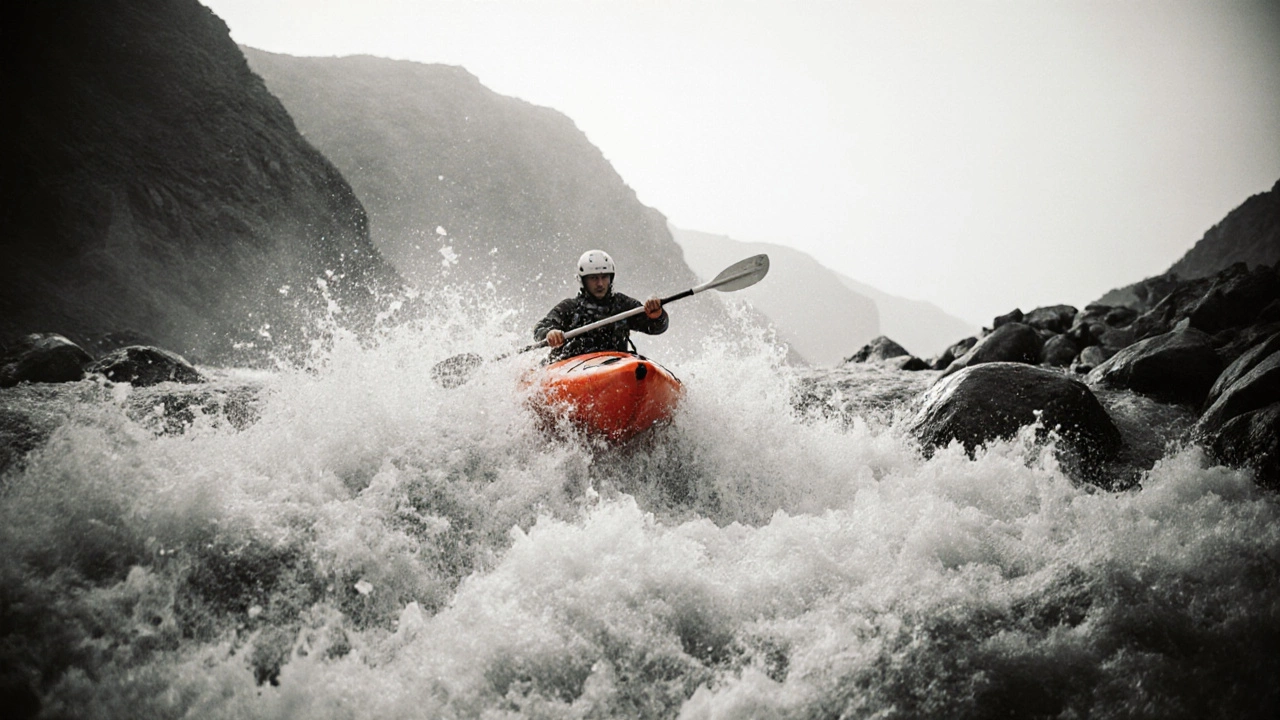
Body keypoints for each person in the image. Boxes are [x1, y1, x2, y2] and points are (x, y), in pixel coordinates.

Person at [533, 250, 668, 361]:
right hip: (575, 368)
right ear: (583, 281)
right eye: (593, 278)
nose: (600, 284)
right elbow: (540, 328)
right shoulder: (570, 307)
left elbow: (656, 327)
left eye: (604, 277)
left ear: (611, 278)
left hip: (615, 366)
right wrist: (550, 333)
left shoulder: (623, 305)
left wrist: (657, 315)